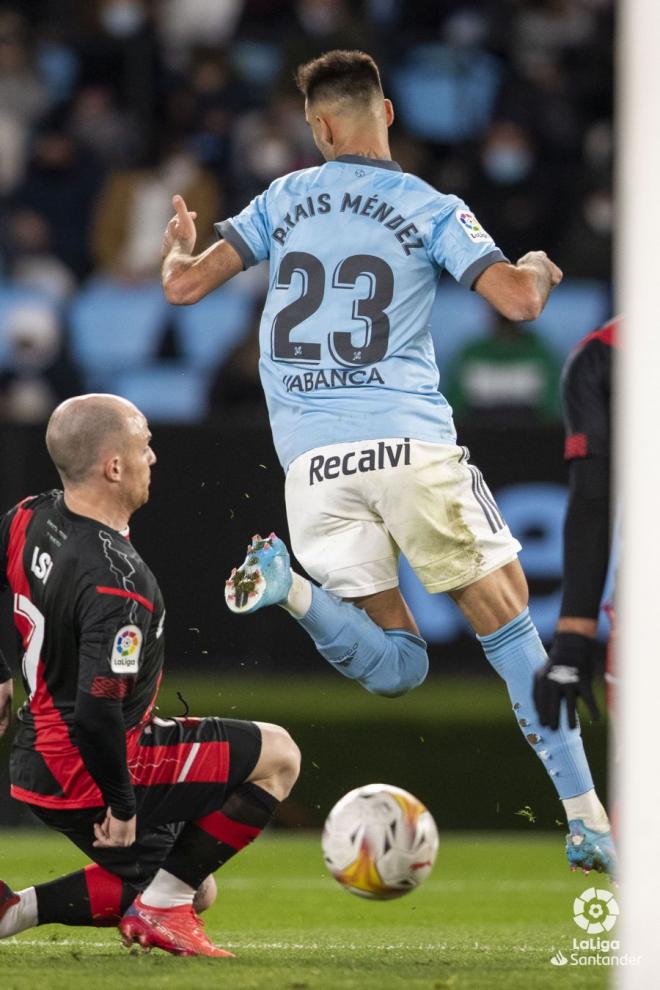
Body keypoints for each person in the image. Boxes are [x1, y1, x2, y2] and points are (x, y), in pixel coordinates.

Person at [160, 49, 613, 874]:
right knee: (512, 635)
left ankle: (291, 589)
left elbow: (185, 289)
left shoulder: (282, 198)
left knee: (398, 667)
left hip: (312, 471)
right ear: (389, 114)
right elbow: (514, 300)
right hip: (407, 445)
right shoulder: (428, 202)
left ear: (320, 127)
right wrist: (541, 272)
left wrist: (177, 251)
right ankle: (589, 824)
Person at [0, 394, 300, 956]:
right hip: (87, 767)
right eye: (144, 446)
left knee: (193, 884)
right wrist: (123, 805)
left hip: (36, 759)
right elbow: (97, 712)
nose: (154, 458)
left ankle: (14, 912)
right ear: (114, 467)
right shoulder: (116, 581)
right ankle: (160, 910)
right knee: (279, 755)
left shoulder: (31, 516)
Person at [534, 317, 618, 730]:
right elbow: (592, 502)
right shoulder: (603, 355)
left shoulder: (604, 353)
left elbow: (592, 501)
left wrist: (571, 641)